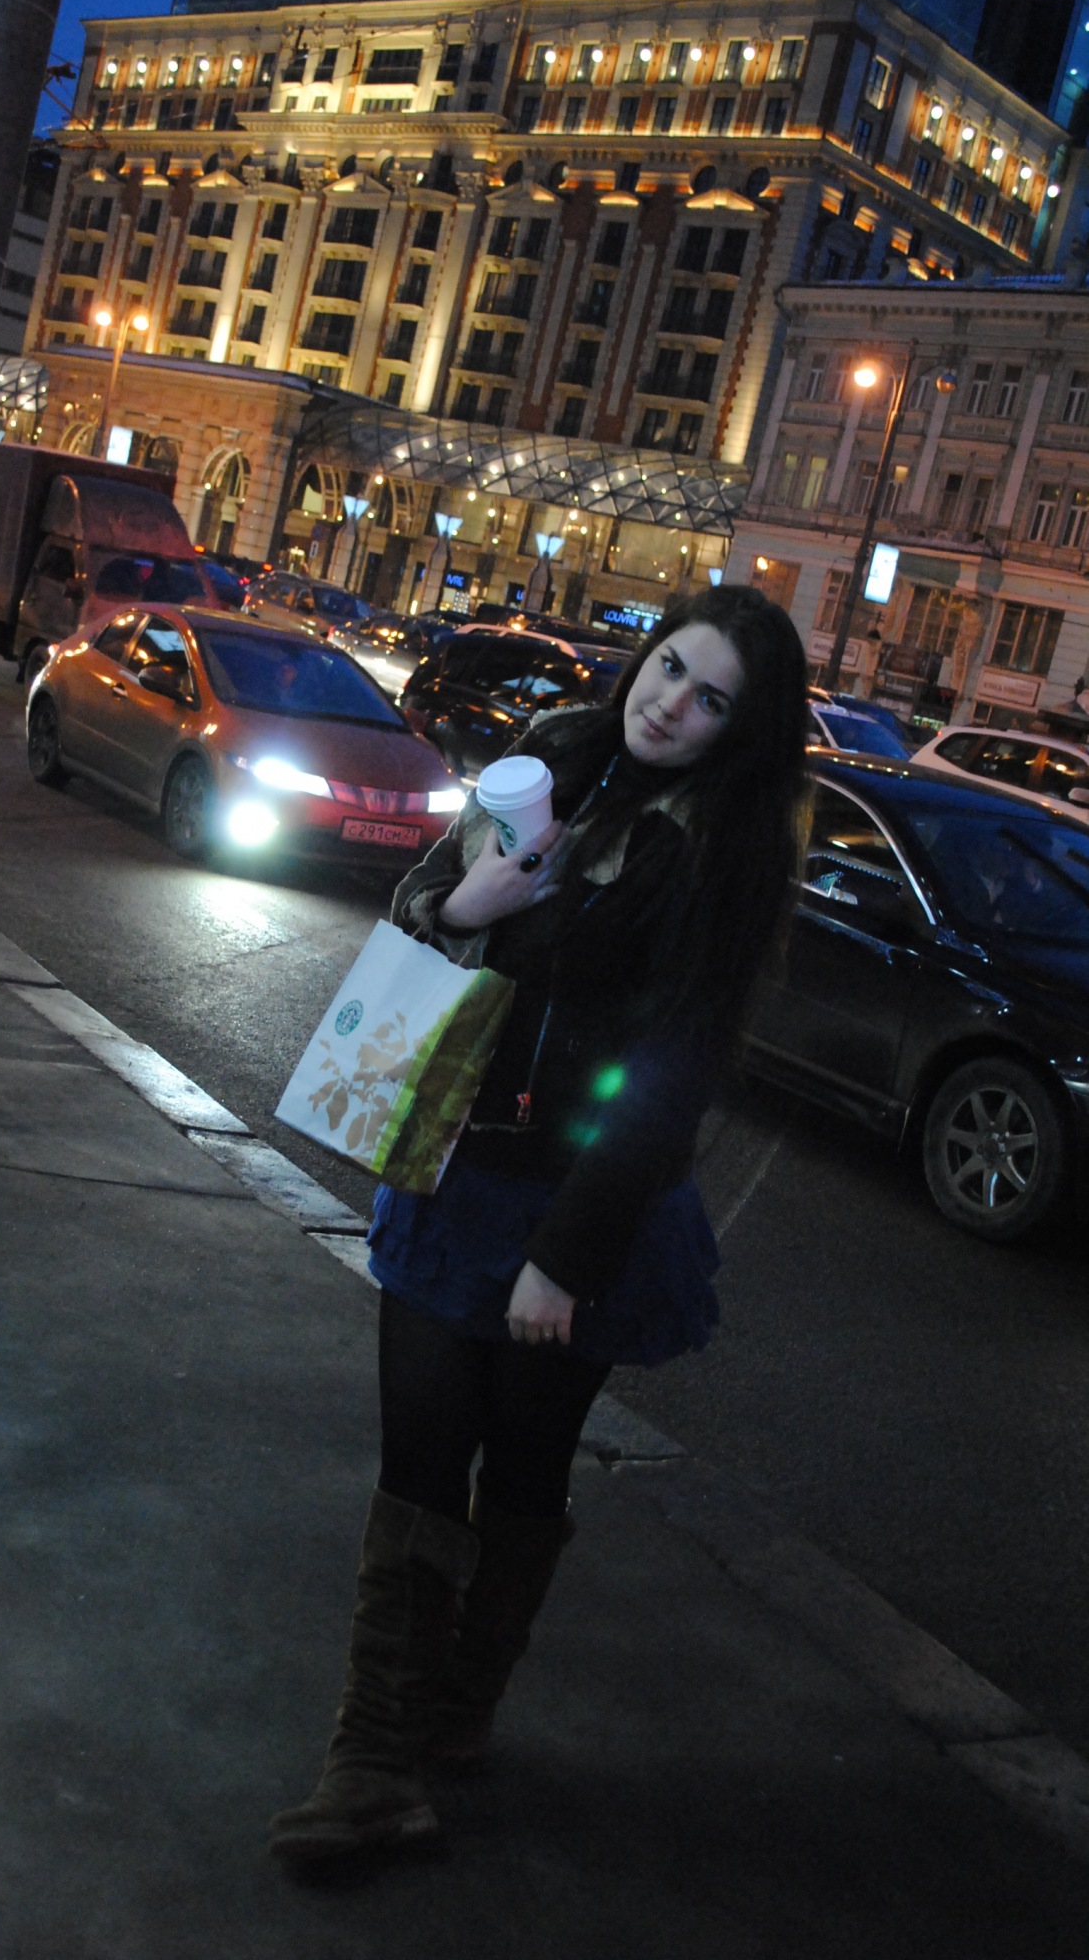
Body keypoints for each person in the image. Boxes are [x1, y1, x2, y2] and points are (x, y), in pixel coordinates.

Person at [268, 583, 810, 1869]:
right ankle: (373, 1758)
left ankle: (456, 1711)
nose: (669, 704)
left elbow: (672, 1077)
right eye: (668, 665)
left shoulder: (724, 853)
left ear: (740, 729)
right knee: (418, 1452)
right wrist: (472, 905)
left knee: (520, 1465)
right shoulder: (555, 755)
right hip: (456, 1167)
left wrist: (564, 1259)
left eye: (710, 698)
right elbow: (417, 905)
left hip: (582, 1204)